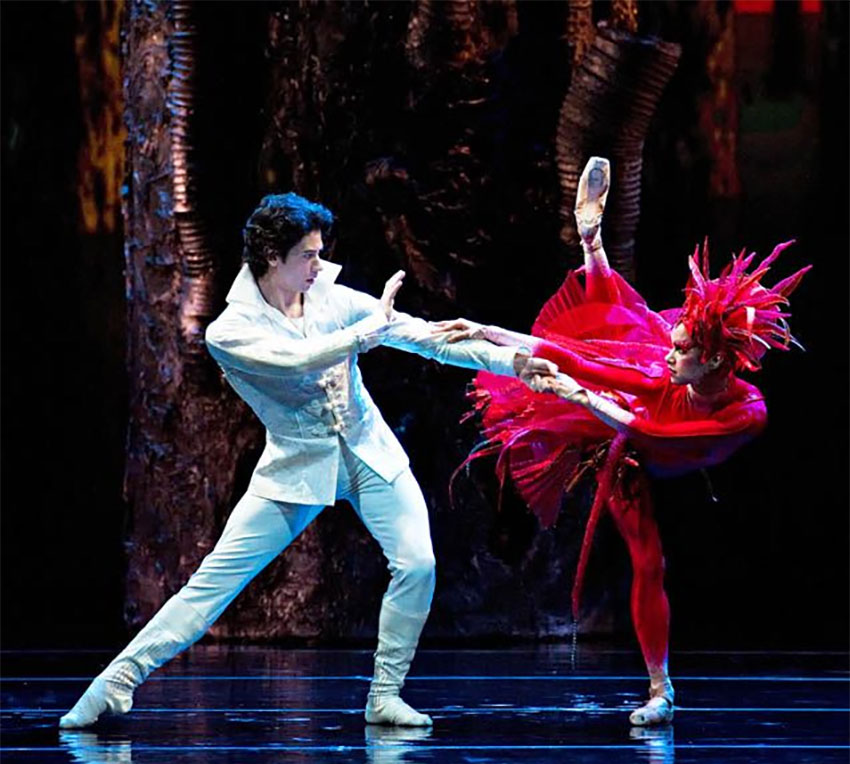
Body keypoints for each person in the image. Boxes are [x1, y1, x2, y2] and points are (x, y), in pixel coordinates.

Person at [59, 192, 555, 730]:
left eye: (320, 254)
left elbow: (424, 338)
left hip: (369, 453)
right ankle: (116, 682)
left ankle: (385, 695)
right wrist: (366, 334)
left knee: (417, 564)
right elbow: (296, 359)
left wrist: (511, 364)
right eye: (309, 256)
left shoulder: (331, 300)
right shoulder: (230, 331)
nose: (320, 266)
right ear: (273, 256)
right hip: (297, 466)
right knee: (213, 583)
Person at [436, 157, 810, 726]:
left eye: (681, 348)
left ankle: (594, 250)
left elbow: (652, 428)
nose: (670, 351)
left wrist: (582, 397)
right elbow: (575, 357)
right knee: (647, 554)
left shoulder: (746, 412)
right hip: (629, 442)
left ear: (711, 359)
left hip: (648, 430)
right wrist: (483, 333)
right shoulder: (661, 369)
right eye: (676, 340)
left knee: (627, 345)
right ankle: (593, 245)